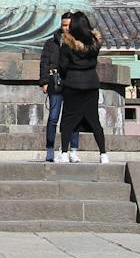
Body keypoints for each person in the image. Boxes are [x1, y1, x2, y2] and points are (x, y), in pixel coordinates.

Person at [56, 11, 108, 163]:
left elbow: (63, 65)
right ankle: (103, 153)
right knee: (94, 120)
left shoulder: (68, 44)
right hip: (91, 83)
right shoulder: (94, 44)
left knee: (67, 119)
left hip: (73, 84)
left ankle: (65, 152)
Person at [39, 16, 68, 164]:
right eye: (64, 25)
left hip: (71, 83)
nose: (67, 28)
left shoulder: (76, 43)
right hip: (55, 82)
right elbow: (44, 62)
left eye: (69, 25)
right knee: (53, 116)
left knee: (70, 119)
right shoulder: (51, 43)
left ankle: (68, 150)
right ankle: (50, 148)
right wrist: (44, 81)